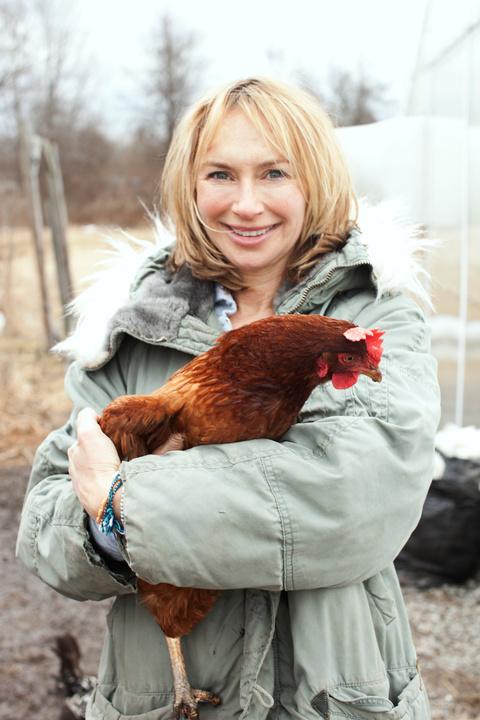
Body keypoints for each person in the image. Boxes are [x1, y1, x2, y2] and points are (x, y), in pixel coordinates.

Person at [16, 77, 440, 720]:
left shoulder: (372, 314)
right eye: (220, 174)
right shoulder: (128, 329)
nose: (246, 204)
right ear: (190, 186)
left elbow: (356, 498)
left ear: (317, 179)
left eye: (274, 172)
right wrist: (108, 535)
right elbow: (45, 528)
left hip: (336, 699)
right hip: (159, 700)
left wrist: (119, 502)